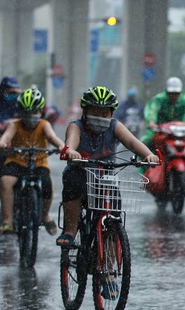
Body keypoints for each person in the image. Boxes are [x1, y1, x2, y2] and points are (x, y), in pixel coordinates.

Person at [56, 86, 159, 247]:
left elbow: (132, 142)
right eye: (95, 113)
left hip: (106, 176)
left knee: (113, 221)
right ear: (85, 112)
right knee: (72, 181)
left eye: (104, 114)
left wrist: (148, 155)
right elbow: (72, 139)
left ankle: (109, 268)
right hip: (81, 173)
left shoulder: (114, 126)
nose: (100, 117)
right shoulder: (76, 126)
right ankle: (69, 231)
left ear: (111, 114)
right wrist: (70, 151)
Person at [0, 87, 65, 234]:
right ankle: (8, 221)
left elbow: (52, 138)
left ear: (41, 111)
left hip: (39, 163)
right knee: (5, 182)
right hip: (16, 162)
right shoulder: (15, 125)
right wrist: (2, 143)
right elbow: (6, 137)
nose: (31, 116)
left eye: (34, 112)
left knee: (47, 185)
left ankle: (45, 216)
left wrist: (61, 146)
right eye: (26, 112)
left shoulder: (44, 125)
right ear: (20, 112)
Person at [143, 77, 185, 190]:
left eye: (176, 93)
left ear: (180, 92)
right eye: (171, 93)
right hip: (161, 133)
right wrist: (152, 122)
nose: (174, 96)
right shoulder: (159, 100)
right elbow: (152, 110)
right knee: (143, 144)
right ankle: (146, 175)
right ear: (167, 92)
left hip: (181, 134)